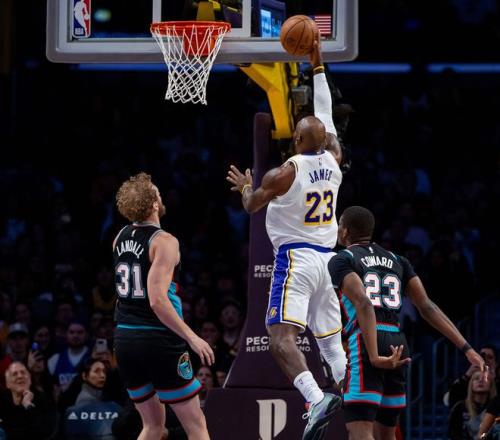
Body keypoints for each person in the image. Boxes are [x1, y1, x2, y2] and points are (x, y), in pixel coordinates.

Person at [226, 39, 395, 440]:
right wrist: (317, 64)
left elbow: (251, 206)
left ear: (298, 141)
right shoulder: (335, 158)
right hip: (329, 260)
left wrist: (246, 186)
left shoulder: (283, 173)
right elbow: (325, 111)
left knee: (279, 338)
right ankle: (357, 400)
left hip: (297, 259)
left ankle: (315, 398)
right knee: (331, 344)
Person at [328, 206, 486, 440]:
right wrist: (467, 348)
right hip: (397, 342)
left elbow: (364, 303)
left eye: (340, 224)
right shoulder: (397, 260)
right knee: (387, 434)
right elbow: (427, 307)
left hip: (366, 341)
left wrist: (374, 356)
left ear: (345, 231)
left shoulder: (342, 259)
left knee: (359, 431)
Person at [113, 172, 214, 440]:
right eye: (157, 192)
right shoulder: (164, 241)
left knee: (153, 426)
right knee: (196, 425)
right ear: (154, 203)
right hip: (158, 339)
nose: (160, 194)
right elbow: (157, 299)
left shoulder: (119, 237)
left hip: (125, 338)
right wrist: (192, 337)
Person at [0, 362, 57, 440]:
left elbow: (45, 431)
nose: (20, 376)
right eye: (14, 374)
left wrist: (28, 406)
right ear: (7, 384)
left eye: (23, 373)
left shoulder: (44, 399)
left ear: (30, 380)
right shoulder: (2, 401)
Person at [449, 370, 497, 439]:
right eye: (476, 378)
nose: (481, 381)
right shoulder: (460, 407)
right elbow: (454, 434)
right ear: (471, 385)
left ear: (491, 385)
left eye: (485, 378)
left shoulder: (496, 408)